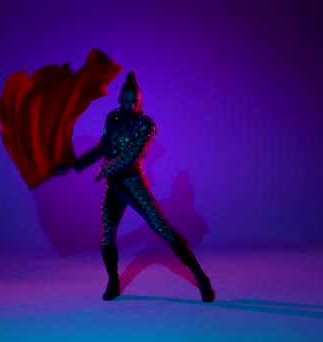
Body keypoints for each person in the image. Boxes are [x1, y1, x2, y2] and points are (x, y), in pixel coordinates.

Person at [57, 72, 215, 302]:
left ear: (140, 100)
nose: (131, 105)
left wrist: (106, 167)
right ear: (119, 99)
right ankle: (113, 282)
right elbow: (102, 147)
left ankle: (201, 278)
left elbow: (131, 156)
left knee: (163, 229)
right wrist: (75, 165)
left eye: (135, 101)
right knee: (107, 235)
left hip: (133, 183)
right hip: (114, 187)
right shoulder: (112, 118)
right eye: (126, 100)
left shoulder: (146, 125)